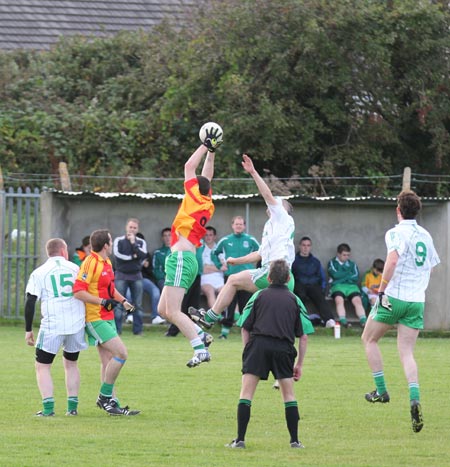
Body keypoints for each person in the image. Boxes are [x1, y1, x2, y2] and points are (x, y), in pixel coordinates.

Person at [362, 191, 440, 433]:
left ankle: (381, 391)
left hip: (394, 296)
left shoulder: (395, 232)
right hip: (416, 301)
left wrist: (382, 290)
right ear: (417, 211)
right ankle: (414, 397)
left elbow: (392, 261)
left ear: (398, 210)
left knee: (369, 339)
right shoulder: (426, 236)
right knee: (406, 352)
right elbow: (432, 267)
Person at [189, 154, 296, 329]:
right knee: (257, 314)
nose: (274, 203)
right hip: (281, 275)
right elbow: (259, 254)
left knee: (232, 281)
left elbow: (267, 195)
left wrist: (253, 172)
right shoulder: (273, 227)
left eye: (279, 202)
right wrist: (235, 260)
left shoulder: (283, 217)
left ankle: (209, 317)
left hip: (274, 272)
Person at [226, 260, 314, 449]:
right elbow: (304, 336)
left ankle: (240, 439)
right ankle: (295, 441)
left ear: (268, 278)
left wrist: (247, 352)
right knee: (288, 395)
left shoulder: (258, 295)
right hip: (284, 348)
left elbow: (244, 327)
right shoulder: (294, 299)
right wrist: (299, 364)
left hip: (258, 346)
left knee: (246, 394)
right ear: (289, 278)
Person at [157, 127, 221, 368]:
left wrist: (205, 144)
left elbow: (188, 167)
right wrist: (212, 152)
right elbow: (206, 177)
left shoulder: (193, 197)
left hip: (182, 257)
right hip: (187, 257)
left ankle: (199, 348)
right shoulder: (206, 201)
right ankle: (200, 334)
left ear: (194, 187)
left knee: (173, 311)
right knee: (162, 309)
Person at [73, 229, 140, 416]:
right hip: (95, 318)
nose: (112, 244)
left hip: (107, 317)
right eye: (111, 241)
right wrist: (102, 302)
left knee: (108, 361)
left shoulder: (107, 262)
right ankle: (104, 397)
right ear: (106, 245)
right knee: (121, 353)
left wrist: (123, 301)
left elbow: (110, 289)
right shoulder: (90, 262)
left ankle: (113, 404)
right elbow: (78, 291)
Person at [24, 238, 87, 417]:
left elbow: (30, 301)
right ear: (63, 251)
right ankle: (72, 408)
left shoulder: (40, 272)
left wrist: (28, 329)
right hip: (76, 324)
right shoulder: (76, 268)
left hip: (53, 325)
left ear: (48, 252)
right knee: (71, 363)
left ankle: (48, 409)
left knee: (42, 366)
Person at [212, 215, 260, 339]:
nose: (238, 226)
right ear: (232, 225)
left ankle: (250, 332)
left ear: (244, 226)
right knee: (229, 305)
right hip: (230, 276)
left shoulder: (250, 240)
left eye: (241, 224)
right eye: (236, 224)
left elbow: (262, 253)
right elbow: (215, 253)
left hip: (247, 278)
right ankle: (224, 333)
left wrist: (259, 269)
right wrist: (219, 265)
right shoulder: (225, 240)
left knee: (247, 305)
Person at [113, 218, 148, 335]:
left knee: (137, 304)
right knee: (118, 304)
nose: (132, 230)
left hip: (136, 276)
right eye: (130, 227)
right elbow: (118, 256)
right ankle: (117, 331)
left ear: (138, 229)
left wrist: (134, 244)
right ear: (126, 227)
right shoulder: (119, 240)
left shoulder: (141, 242)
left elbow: (143, 255)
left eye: (134, 228)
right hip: (121, 275)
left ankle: (138, 331)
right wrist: (133, 257)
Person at [291, 236, 336, 328]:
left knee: (319, 295)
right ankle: (296, 321)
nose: (305, 247)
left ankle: (329, 320)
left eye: (308, 245)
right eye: (303, 245)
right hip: (299, 285)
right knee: (300, 296)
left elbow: (322, 277)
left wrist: (322, 289)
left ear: (310, 247)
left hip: (313, 285)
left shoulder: (315, 262)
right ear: (299, 246)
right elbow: (290, 275)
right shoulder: (293, 261)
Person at [327, 243, 367, 328]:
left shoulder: (352, 264)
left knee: (357, 301)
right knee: (339, 300)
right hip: (337, 286)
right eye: (344, 255)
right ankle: (343, 321)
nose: (346, 257)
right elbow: (335, 275)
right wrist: (347, 275)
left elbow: (355, 277)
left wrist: (341, 277)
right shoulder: (332, 263)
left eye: (348, 255)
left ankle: (364, 321)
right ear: (338, 254)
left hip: (351, 286)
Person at [136, 232, 165, 325]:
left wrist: (146, 266)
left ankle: (155, 316)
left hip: (143, 279)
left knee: (155, 291)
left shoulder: (146, 254)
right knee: (128, 295)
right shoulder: (125, 253)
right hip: (130, 279)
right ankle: (130, 315)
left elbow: (150, 272)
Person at [200, 226, 225, 309]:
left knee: (226, 291)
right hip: (204, 279)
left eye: (210, 235)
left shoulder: (220, 248)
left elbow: (224, 267)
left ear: (214, 236)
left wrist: (208, 267)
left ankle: (234, 315)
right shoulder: (200, 249)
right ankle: (215, 316)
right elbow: (202, 269)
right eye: (206, 235)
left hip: (219, 279)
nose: (208, 237)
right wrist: (218, 268)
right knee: (210, 291)